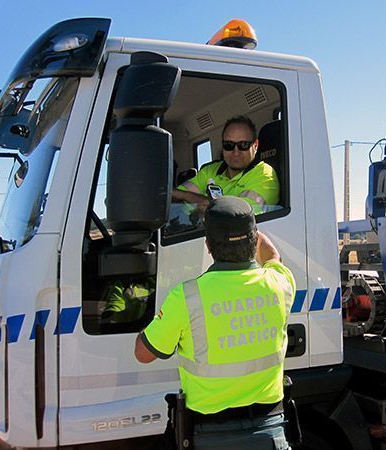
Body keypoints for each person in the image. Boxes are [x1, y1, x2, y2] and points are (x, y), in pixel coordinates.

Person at [134, 196, 295, 450]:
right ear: (254, 240)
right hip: (270, 432)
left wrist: (154, 325)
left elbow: (143, 353)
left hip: (210, 436)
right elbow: (273, 257)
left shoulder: (186, 297)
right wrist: (248, 228)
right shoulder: (280, 284)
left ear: (208, 245)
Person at [172, 116, 280, 214]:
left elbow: (239, 217)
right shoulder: (211, 170)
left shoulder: (264, 175)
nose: (236, 152)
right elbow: (176, 196)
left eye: (243, 145)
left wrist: (194, 199)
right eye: (229, 145)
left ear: (255, 145)